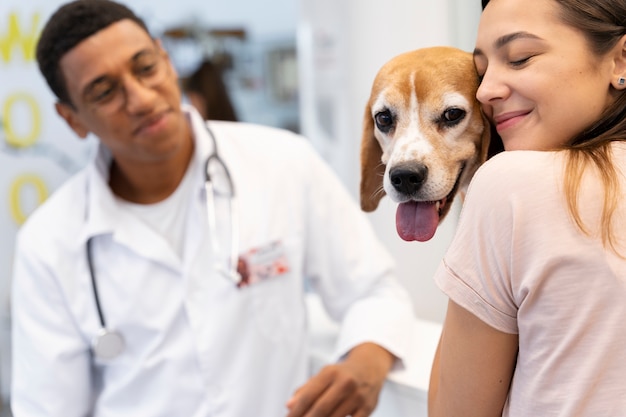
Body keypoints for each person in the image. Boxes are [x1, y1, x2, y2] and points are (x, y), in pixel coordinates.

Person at [10, 1, 415, 416]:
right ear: (72, 119)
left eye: (145, 67)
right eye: (104, 91)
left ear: (165, 60)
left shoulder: (283, 163)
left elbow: (372, 290)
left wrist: (368, 358)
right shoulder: (49, 243)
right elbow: (46, 407)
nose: (141, 98)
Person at [428, 0, 626, 416]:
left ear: (620, 59)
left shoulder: (512, 184)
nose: (484, 92)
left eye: (520, 59)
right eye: (481, 73)